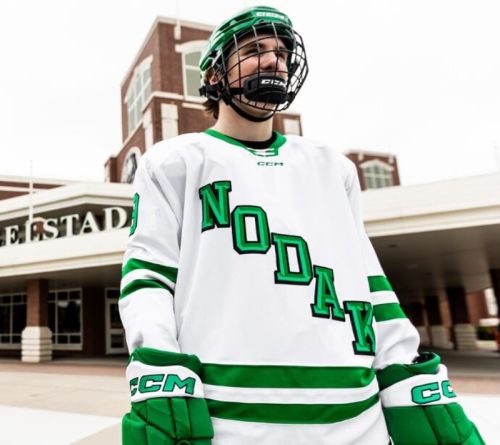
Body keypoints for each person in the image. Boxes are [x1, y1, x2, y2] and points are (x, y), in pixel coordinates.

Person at [119, 5, 484, 444]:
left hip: (358, 422)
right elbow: (149, 280)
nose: (274, 61)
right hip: (232, 421)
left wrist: (409, 375)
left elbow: (368, 283)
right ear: (213, 73)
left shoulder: (332, 167)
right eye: (254, 50)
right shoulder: (173, 162)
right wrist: (161, 375)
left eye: (281, 53)